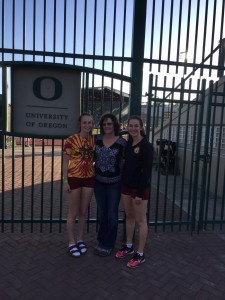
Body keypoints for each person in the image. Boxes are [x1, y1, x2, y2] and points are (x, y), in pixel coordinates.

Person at [115, 115, 153, 268]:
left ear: (141, 127)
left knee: (141, 221)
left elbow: (147, 172)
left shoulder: (146, 146)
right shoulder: (129, 143)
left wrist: (139, 193)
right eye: (130, 126)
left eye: (136, 126)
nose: (133, 128)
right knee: (129, 216)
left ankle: (140, 253)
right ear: (127, 127)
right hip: (126, 186)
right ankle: (129, 245)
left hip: (139, 189)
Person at [63, 113, 95, 258]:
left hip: (89, 178)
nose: (87, 125)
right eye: (85, 122)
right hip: (74, 178)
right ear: (80, 123)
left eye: (90, 122)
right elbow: (65, 161)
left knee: (83, 211)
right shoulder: (70, 140)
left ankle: (80, 239)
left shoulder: (92, 140)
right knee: (73, 212)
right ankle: (71, 242)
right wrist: (65, 181)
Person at [94, 113, 126, 256]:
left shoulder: (122, 143)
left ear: (115, 125)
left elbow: (125, 163)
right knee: (102, 213)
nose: (107, 126)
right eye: (104, 124)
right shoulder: (97, 139)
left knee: (112, 214)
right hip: (98, 182)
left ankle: (109, 243)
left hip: (115, 183)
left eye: (109, 123)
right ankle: (101, 240)